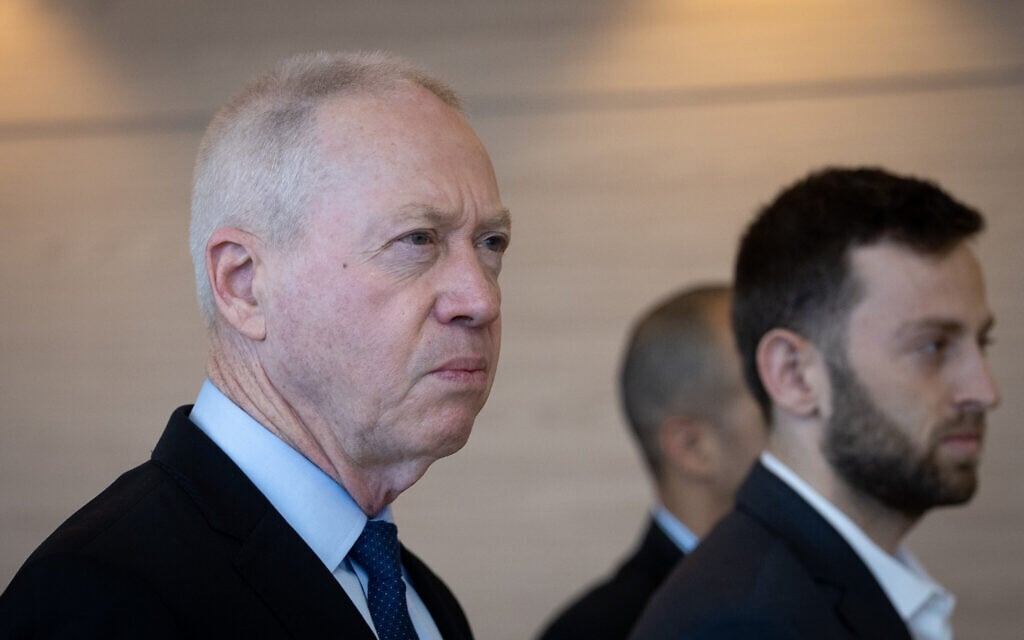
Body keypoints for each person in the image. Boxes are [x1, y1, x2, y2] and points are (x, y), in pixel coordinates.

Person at [0, 50, 511, 639]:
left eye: (490, 242)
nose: (481, 299)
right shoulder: (99, 598)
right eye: (417, 239)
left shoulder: (422, 601)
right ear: (243, 284)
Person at [629, 167, 1000, 640]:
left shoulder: (808, 585)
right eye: (933, 346)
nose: (985, 391)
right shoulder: (746, 623)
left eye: (982, 344)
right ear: (795, 376)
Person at [538, 284, 767, 640]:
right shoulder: (601, 632)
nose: (815, 416)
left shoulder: (826, 591)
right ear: (693, 447)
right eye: (773, 400)